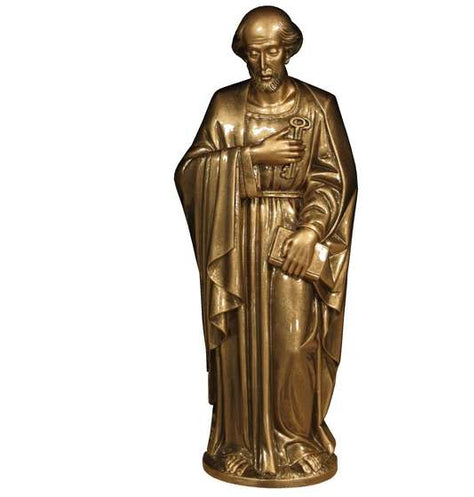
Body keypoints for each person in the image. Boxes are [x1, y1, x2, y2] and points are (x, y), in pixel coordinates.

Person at [175, 6, 357, 486]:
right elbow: (190, 171)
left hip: (292, 239)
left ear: (288, 49)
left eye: (272, 51)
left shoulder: (318, 106)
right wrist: (252, 157)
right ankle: (238, 442)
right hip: (236, 237)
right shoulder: (225, 105)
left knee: (295, 343)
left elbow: (335, 178)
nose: (263, 63)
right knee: (237, 341)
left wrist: (311, 231)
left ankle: (297, 440)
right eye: (254, 53)